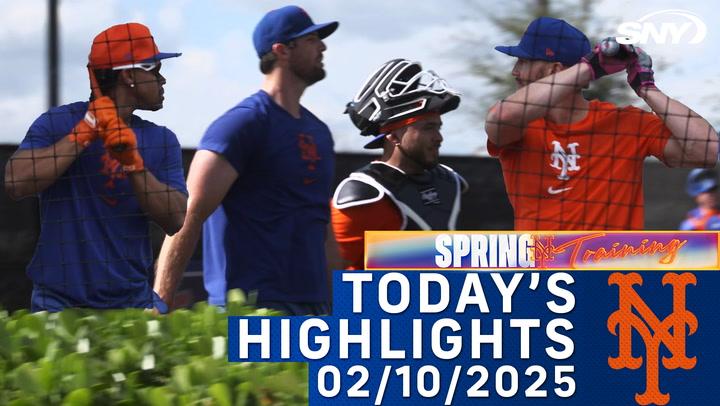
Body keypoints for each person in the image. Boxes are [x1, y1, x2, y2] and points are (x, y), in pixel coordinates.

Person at [154, 5, 338, 315]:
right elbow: (187, 214)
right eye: (311, 39)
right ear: (282, 50)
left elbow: (324, 226)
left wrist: (342, 306)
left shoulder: (319, 132)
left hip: (314, 309)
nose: (323, 46)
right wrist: (159, 303)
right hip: (252, 308)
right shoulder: (241, 125)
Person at [3, 23, 187, 312]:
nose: (162, 80)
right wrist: (86, 129)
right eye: (155, 70)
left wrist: (133, 164)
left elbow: (176, 219)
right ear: (128, 75)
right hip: (58, 307)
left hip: (133, 305)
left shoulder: (161, 140)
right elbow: (16, 182)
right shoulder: (57, 123)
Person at [485, 17, 718, 230]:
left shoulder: (626, 123)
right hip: (544, 269)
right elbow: (501, 119)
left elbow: (706, 151)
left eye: (524, 61)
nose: (515, 71)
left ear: (555, 69)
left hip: (610, 271)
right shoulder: (519, 123)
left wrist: (647, 89)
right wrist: (589, 68)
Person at [332, 59, 466, 270]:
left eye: (439, 127)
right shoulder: (363, 194)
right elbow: (332, 270)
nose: (439, 137)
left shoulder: (451, 182)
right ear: (393, 136)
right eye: (428, 128)